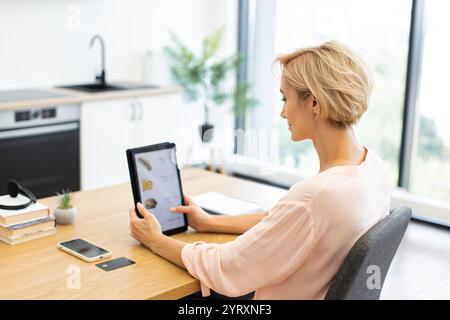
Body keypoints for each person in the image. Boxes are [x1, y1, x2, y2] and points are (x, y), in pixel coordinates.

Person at [129, 41, 391, 299]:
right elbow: (282, 220)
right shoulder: (375, 170)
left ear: (313, 103)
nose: (282, 112)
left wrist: (155, 240)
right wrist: (208, 222)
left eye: (284, 98)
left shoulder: (316, 197)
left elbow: (227, 265)